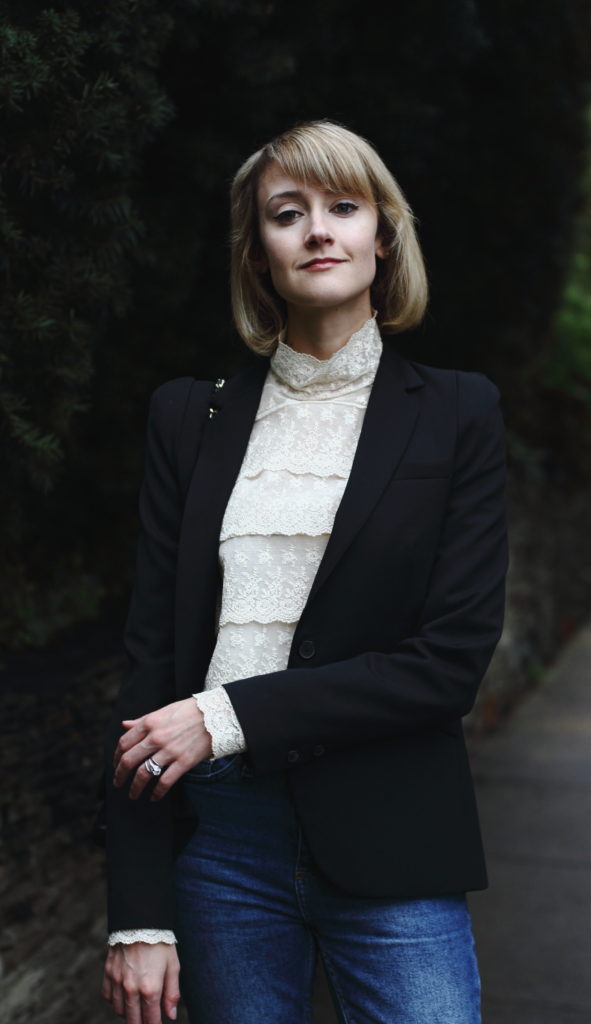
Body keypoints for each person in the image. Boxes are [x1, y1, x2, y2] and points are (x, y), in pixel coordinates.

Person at [101, 119, 508, 1024]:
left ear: (382, 236)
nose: (319, 230)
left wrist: (229, 713)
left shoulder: (456, 413)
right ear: (258, 257)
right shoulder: (186, 419)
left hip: (391, 834)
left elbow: (447, 664)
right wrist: (136, 914)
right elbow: (147, 666)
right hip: (218, 844)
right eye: (288, 214)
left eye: (343, 206)